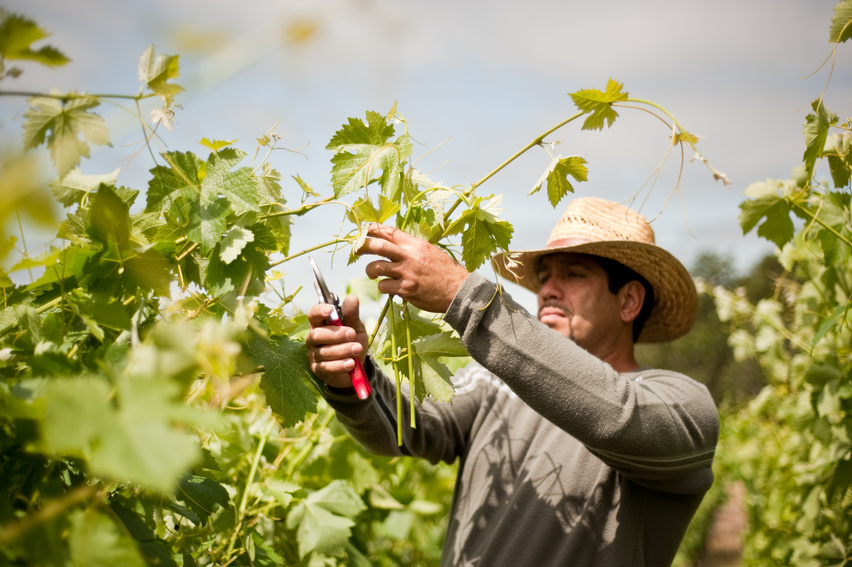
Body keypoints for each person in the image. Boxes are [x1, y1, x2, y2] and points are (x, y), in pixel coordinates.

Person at [306, 197, 719, 567]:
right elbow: (411, 430)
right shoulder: (494, 383)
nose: (548, 291)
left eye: (574, 275)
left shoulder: (684, 407)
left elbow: (616, 415)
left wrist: (461, 295)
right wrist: (354, 380)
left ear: (628, 300)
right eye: (544, 278)